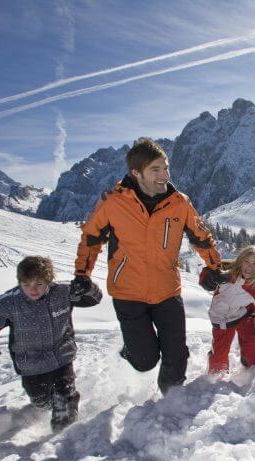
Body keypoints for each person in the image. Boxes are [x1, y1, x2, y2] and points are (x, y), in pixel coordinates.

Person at [73, 138, 225, 394]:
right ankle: (133, 350)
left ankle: (171, 402)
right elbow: (90, 239)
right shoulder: (113, 202)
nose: (165, 175)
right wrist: (81, 276)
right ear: (136, 173)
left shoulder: (179, 202)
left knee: (176, 354)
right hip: (128, 293)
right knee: (145, 361)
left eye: (166, 168)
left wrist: (214, 267)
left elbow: (201, 236)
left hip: (167, 290)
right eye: (156, 170)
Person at [0, 256, 102, 431]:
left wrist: (87, 287)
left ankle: (63, 436)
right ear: (20, 282)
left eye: (39, 284)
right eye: (27, 284)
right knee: (43, 403)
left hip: (62, 358)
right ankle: (48, 409)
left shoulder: (62, 293)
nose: (33, 290)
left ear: (49, 281)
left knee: (65, 398)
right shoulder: (10, 302)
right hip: (31, 366)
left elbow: (94, 298)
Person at [202, 245, 255, 375]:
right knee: (218, 366)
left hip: (243, 315)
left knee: (254, 351)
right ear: (241, 260)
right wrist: (209, 280)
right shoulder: (226, 270)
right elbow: (206, 274)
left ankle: (248, 361)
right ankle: (216, 363)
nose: (249, 267)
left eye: (254, 264)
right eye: (246, 261)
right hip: (222, 319)